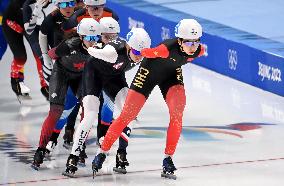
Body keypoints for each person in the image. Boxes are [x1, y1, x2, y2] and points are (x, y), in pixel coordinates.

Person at [92, 19, 207, 180]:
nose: (192, 47)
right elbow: (144, 52)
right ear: (180, 41)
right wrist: (126, 48)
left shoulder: (199, 50)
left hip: (171, 74)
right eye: (188, 43)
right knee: (127, 115)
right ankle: (102, 151)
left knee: (177, 115)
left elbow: (191, 53)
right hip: (148, 73)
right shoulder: (164, 49)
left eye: (195, 42)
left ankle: (168, 159)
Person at [63, 27, 151, 177]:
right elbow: (91, 51)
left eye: (142, 53)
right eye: (136, 52)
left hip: (114, 77)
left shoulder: (140, 53)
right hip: (94, 76)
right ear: (129, 46)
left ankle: (121, 152)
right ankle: (73, 157)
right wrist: (95, 46)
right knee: (90, 115)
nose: (139, 57)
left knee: (129, 112)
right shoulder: (112, 52)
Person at [31, 0, 79, 170]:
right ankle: (41, 148)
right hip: (61, 67)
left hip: (82, 70)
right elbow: (42, 36)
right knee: (56, 110)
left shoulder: (84, 14)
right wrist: (45, 56)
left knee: (83, 106)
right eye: (63, 4)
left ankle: (72, 135)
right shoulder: (52, 18)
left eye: (71, 3)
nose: (67, 7)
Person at [22, 0, 54, 100]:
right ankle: (48, 88)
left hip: (50, 30)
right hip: (35, 33)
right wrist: (37, 9)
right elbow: (29, 30)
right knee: (44, 59)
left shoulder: (55, 2)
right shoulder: (28, 5)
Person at [2, 0, 33, 100]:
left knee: (21, 56)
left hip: (23, 22)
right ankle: (17, 81)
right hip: (7, 24)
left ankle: (19, 81)